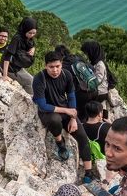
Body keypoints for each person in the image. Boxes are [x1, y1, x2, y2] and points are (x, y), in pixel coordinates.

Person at [33, 51, 99, 183]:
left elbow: (72, 96)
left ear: (61, 65)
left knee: (83, 137)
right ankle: (60, 142)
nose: (55, 70)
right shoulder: (39, 78)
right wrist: (67, 110)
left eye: (57, 66)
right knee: (54, 120)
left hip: (65, 110)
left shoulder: (66, 75)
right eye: (51, 67)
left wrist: (73, 118)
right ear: (46, 66)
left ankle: (88, 173)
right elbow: (42, 104)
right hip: (49, 112)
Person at [2, 17, 37, 92]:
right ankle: (29, 101)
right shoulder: (17, 39)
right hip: (10, 68)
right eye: (30, 33)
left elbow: (33, 44)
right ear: (24, 30)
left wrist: (33, 49)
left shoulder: (27, 38)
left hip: (17, 66)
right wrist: (4, 75)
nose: (32, 35)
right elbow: (7, 56)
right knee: (30, 82)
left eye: (34, 33)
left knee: (34, 81)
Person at [80, 40, 112, 115]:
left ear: (92, 52)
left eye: (87, 53)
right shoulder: (95, 62)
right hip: (97, 90)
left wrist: (87, 83)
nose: (86, 55)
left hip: (100, 92)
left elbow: (98, 80)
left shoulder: (100, 64)